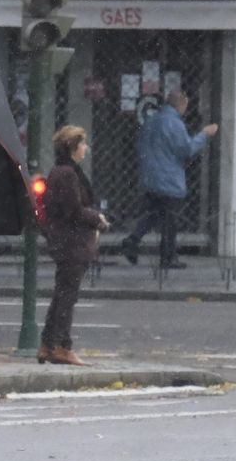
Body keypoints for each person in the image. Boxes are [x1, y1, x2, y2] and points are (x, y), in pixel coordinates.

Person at [121, 89, 217, 269]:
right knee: (170, 220)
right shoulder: (174, 123)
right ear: (181, 105)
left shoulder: (151, 120)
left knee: (153, 215)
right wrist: (204, 134)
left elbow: (141, 145)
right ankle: (167, 257)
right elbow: (187, 149)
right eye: (185, 106)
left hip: (150, 177)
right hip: (169, 179)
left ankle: (132, 241)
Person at [40, 125, 108, 366]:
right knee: (67, 296)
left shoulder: (60, 171)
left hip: (65, 242)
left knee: (62, 294)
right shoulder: (68, 174)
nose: (86, 149)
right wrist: (97, 219)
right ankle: (61, 345)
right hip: (72, 244)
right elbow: (74, 210)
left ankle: (48, 343)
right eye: (83, 144)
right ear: (73, 147)